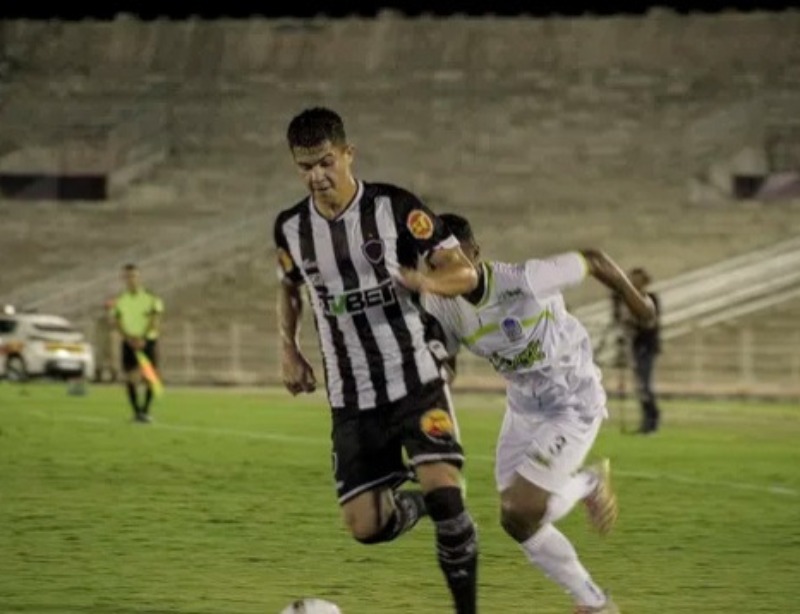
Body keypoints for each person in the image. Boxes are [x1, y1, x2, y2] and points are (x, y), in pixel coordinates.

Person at [274, 107, 479, 614]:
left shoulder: (396, 207)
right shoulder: (291, 229)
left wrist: (426, 281)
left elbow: (465, 274)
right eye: (305, 167)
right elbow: (289, 290)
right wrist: (288, 347)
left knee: (449, 500)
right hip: (351, 395)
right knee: (365, 527)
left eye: (325, 162)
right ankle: (418, 505)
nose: (317, 176)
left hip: (415, 379)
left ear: (348, 154)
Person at [422, 213, 657, 614]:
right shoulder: (440, 304)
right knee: (517, 520)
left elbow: (594, 259)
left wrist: (642, 307)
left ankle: (595, 597)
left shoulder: (522, 279)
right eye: (428, 265)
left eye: (443, 261)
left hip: (572, 400)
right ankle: (591, 597)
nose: (436, 273)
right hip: (524, 407)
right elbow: (447, 361)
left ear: (473, 254)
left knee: (522, 508)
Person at [113, 263, 164, 423]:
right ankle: (137, 412)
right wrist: (128, 338)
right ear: (124, 279)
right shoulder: (121, 300)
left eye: (133, 276)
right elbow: (118, 321)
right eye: (128, 276)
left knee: (150, 377)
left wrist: (142, 338)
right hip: (129, 341)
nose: (131, 279)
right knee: (131, 377)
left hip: (147, 341)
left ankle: (145, 410)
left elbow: (154, 319)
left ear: (139, 278)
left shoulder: (150, 297)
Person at [625, 267, 661, 434]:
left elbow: (650, 322)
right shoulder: (629, 300)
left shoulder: (650, 298)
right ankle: (647, 420)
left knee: (645, 385)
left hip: (646, 346)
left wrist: (633, 323)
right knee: (641, 385)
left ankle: (652, 420)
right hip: (637, 345)